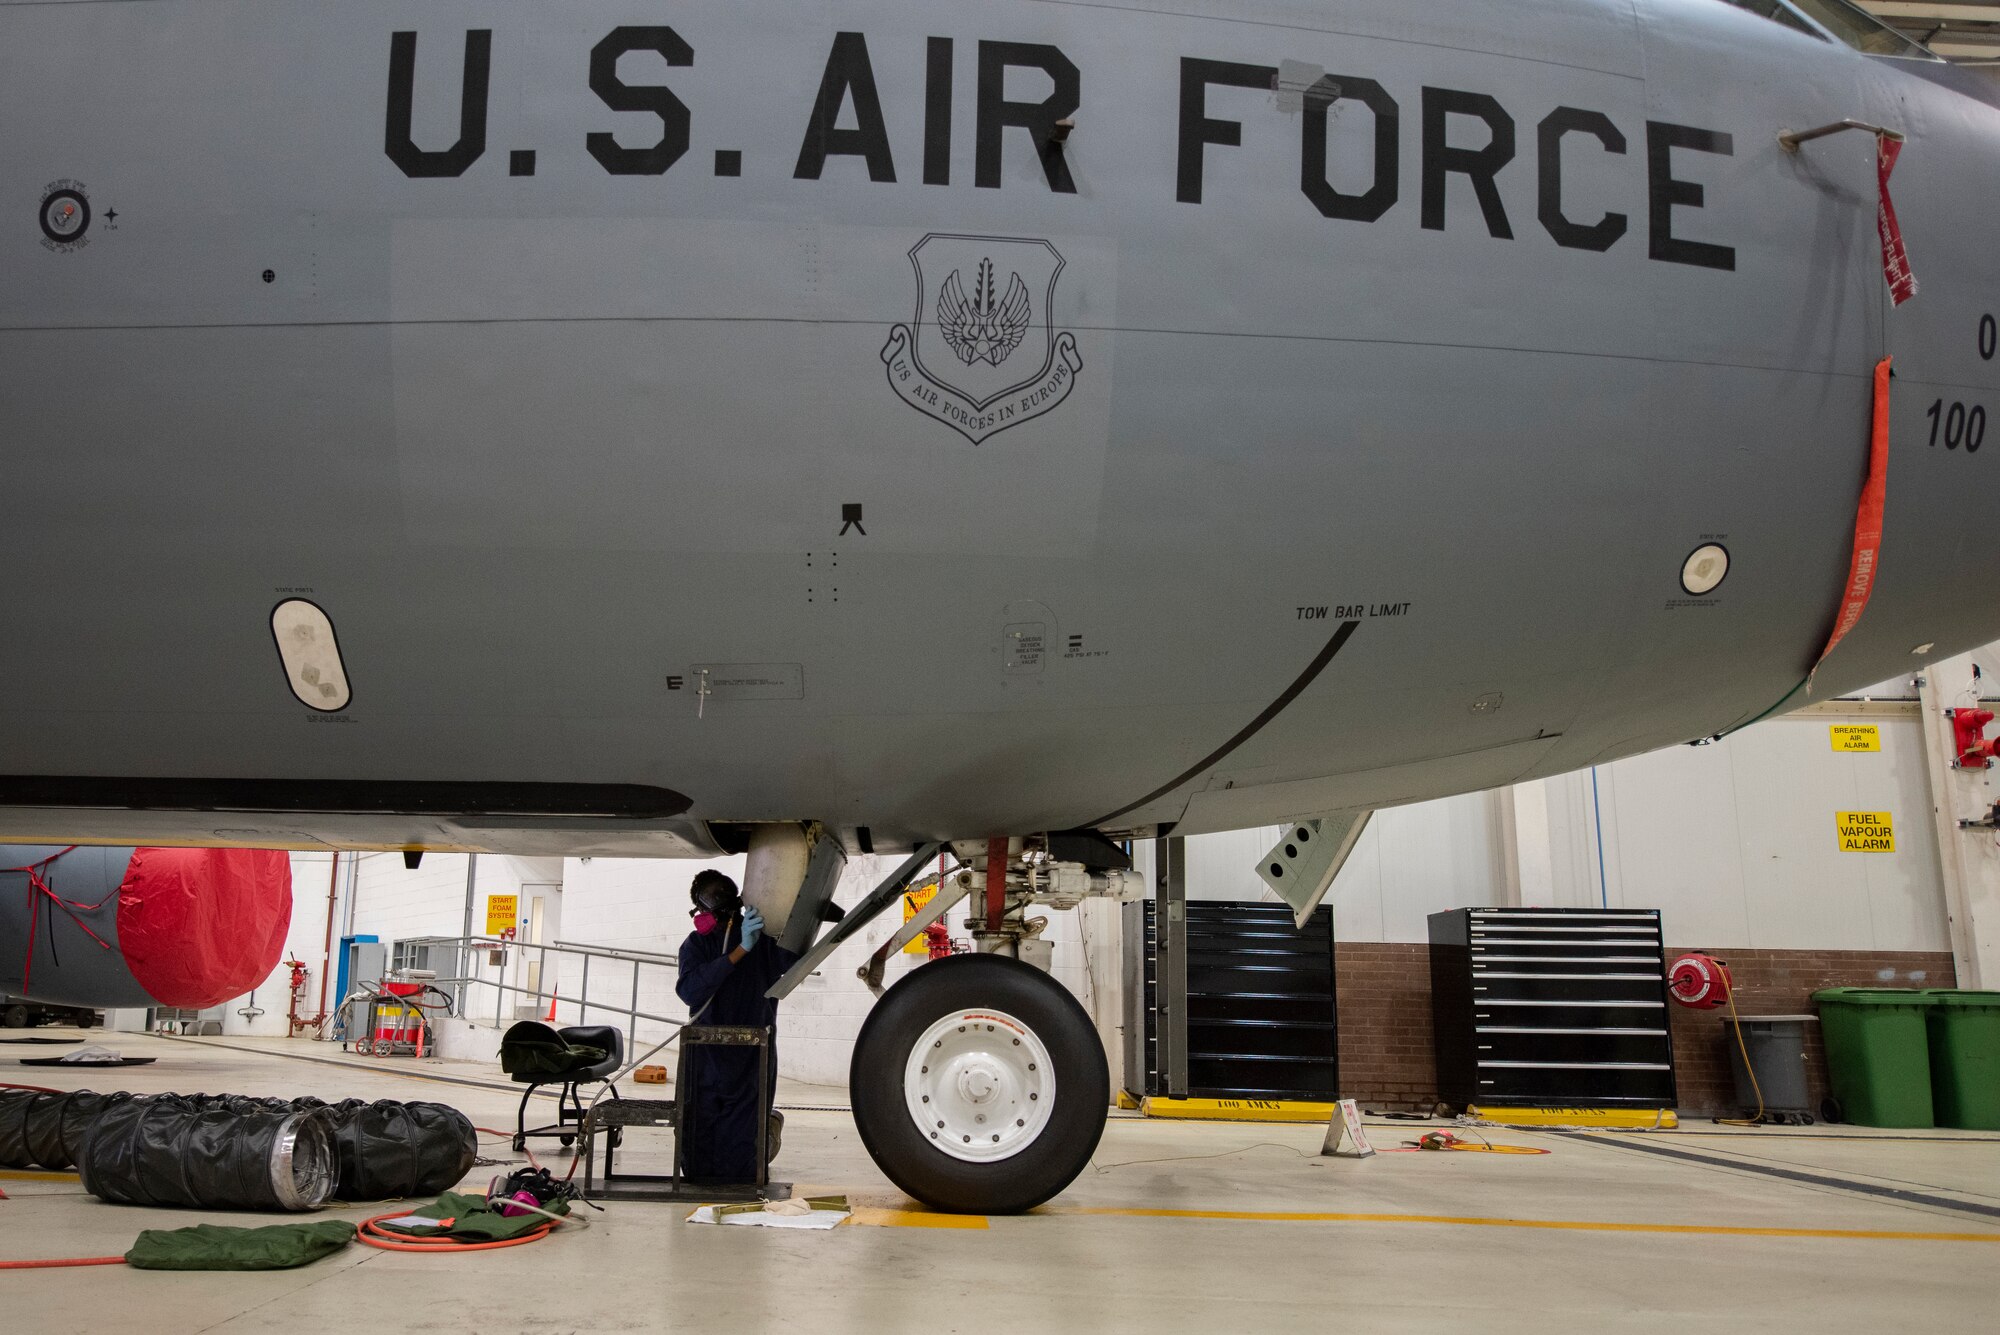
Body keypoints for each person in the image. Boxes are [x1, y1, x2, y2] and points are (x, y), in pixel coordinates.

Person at [673, 869, 797, 1182]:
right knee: (699, 1141)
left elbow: (793, 961)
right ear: (700, 910)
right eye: (712, 895)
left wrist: (794, 920)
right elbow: (690, 990)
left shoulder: (761, 939)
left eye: (724, 892)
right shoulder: (696, 945)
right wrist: (740, 950)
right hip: (706, 1055)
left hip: (751, 1054)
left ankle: (765, 1136)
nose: (722, 900)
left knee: (743, 1151)